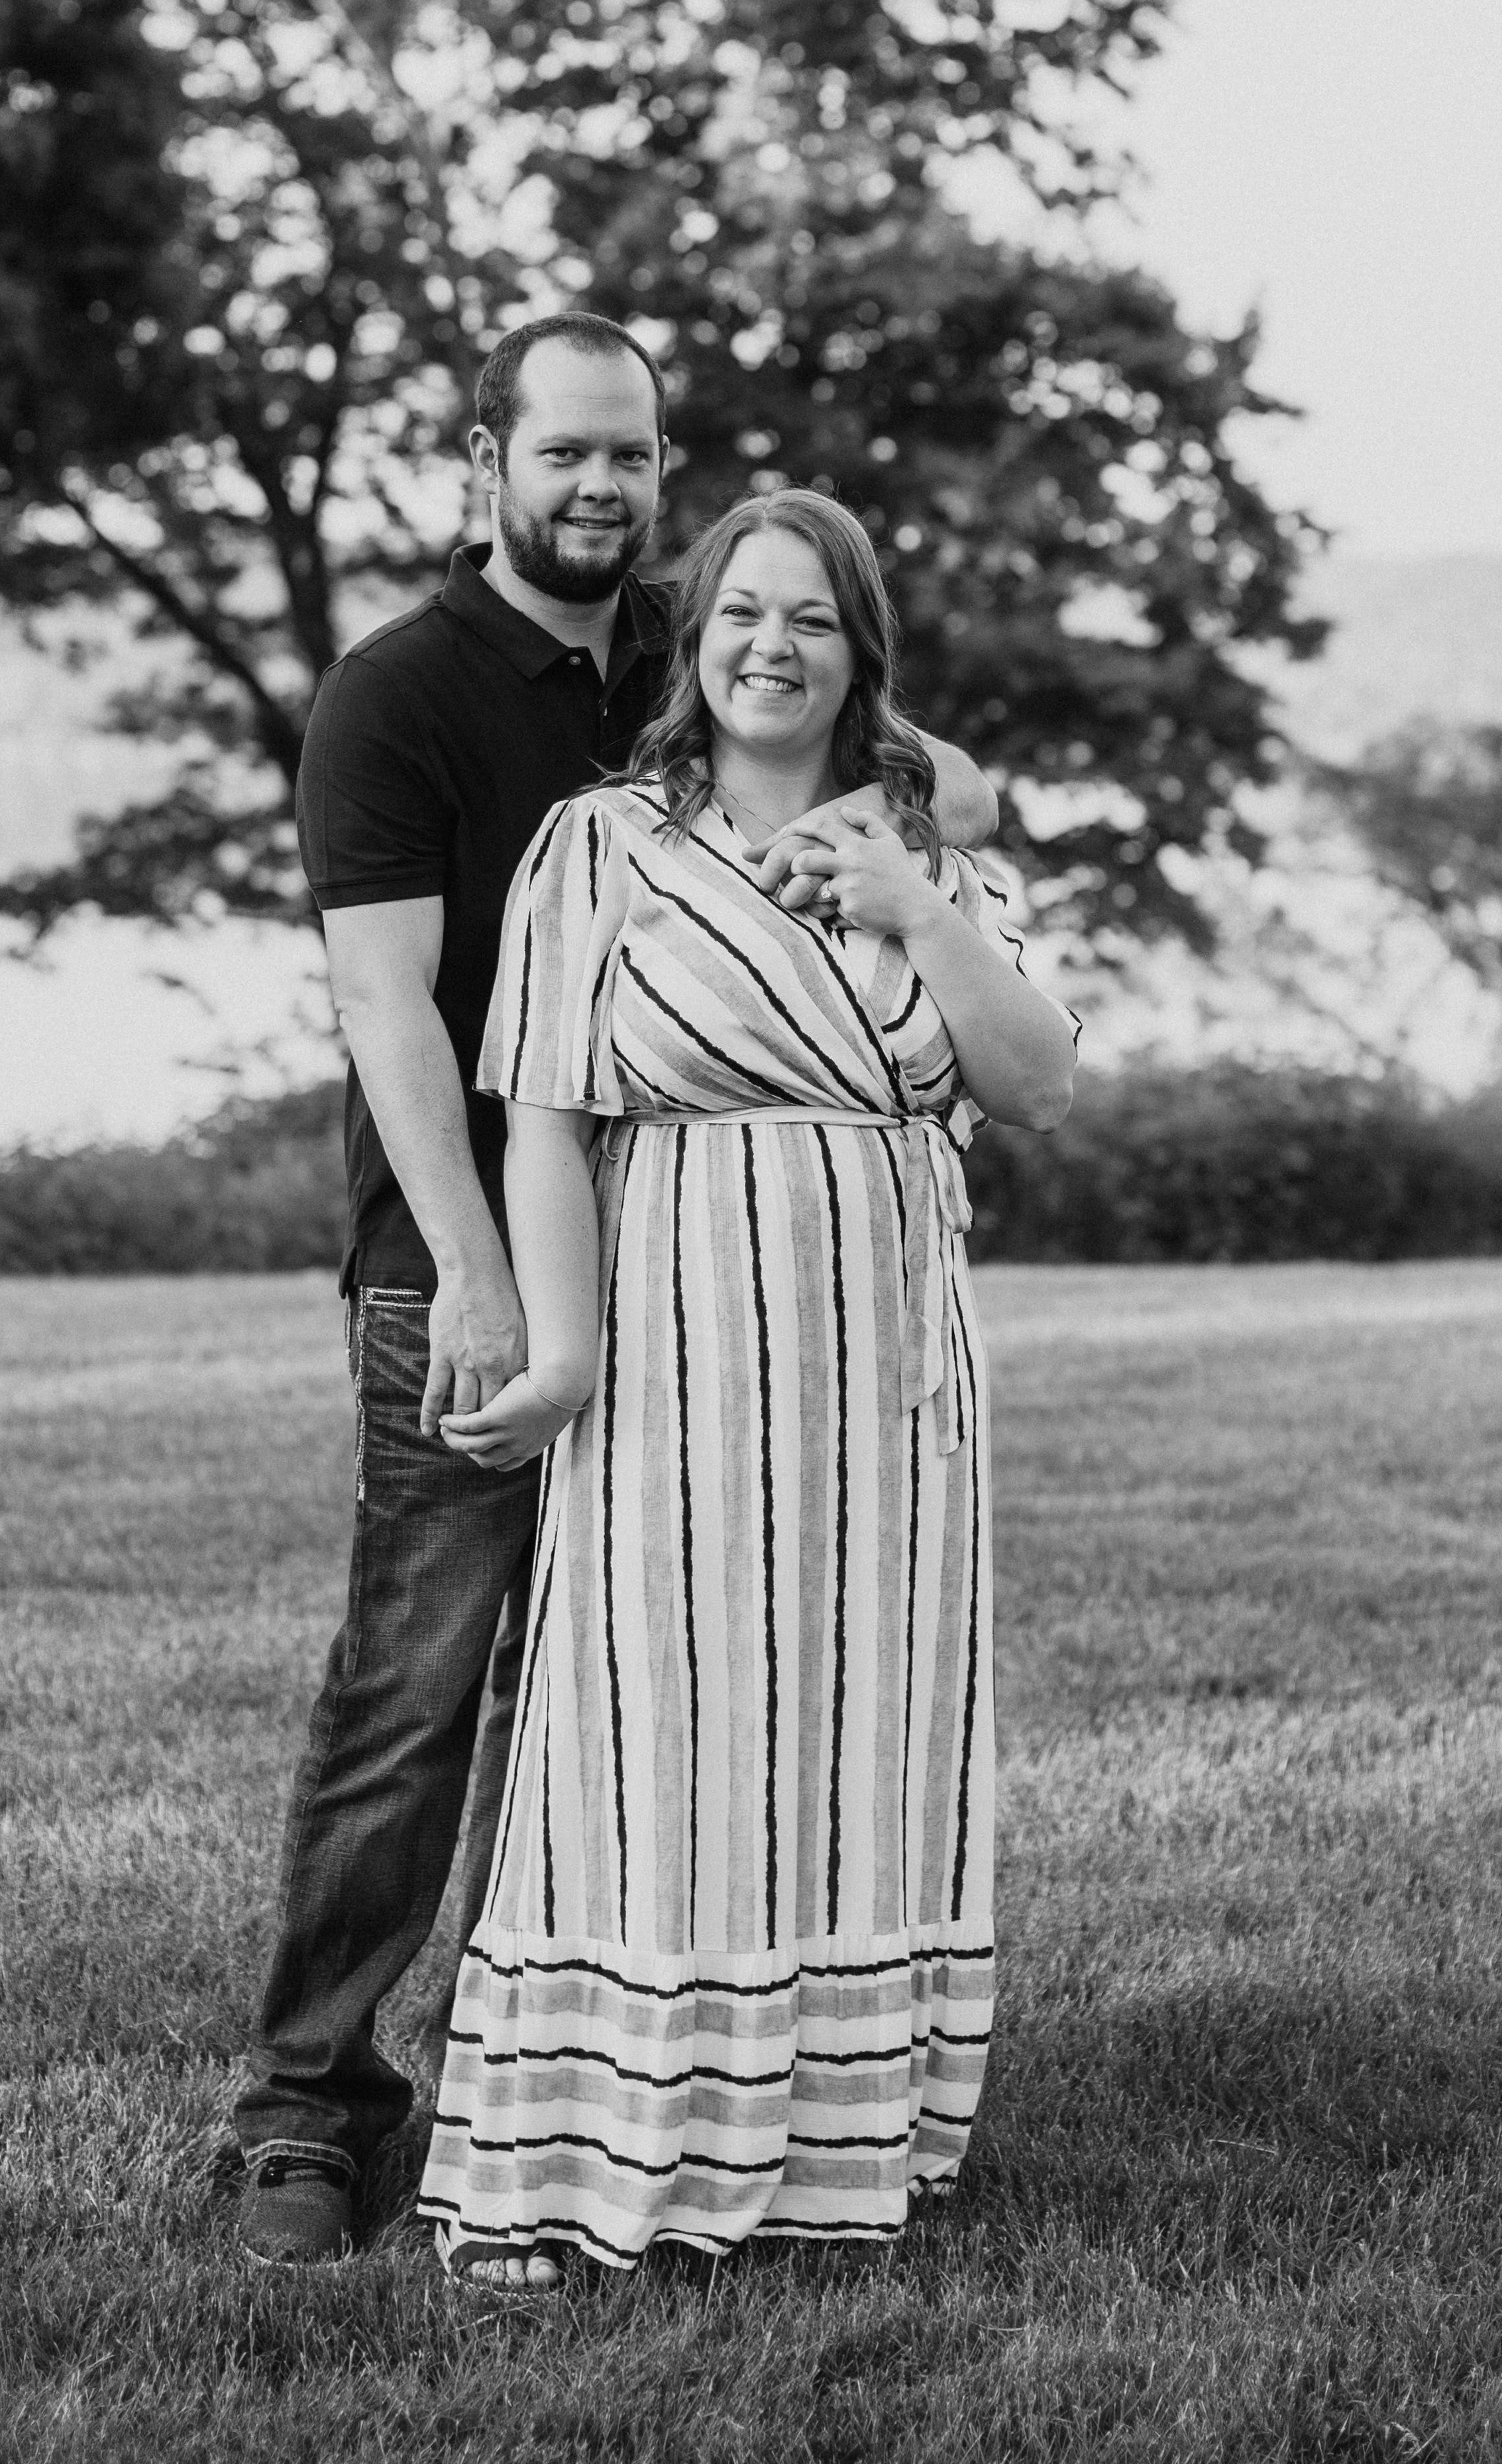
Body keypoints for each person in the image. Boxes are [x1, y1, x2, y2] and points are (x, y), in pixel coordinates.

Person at [231, 317, 996, 2269]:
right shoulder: (395, 692)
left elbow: (951, 789)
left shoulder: (694, 642)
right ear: (486, 458)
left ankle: (561, 2073)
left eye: (634, 456)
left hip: (689, 1286)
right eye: (564, 450)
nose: (601, 486)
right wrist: (482, 1289)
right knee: (419, 1687)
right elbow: (391, 1013)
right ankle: (307, 2111)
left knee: (616, 1702)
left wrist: (903, 845)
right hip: (460, 1263)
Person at [413, 487, 1078, 2288]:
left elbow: (1036, 1084)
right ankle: (604, 2142)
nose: (770, 647)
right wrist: (562, 1354)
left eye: (811, 618)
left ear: (862, 652)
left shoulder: (929, 855)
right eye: (739, 615)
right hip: (682, 1346)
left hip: (890, 1377)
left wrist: (915, 907)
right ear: (693, 642)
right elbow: (547, 1119)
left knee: (858, 1732)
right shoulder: (601, 846)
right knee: (660, 1731)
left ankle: (829, 2147)